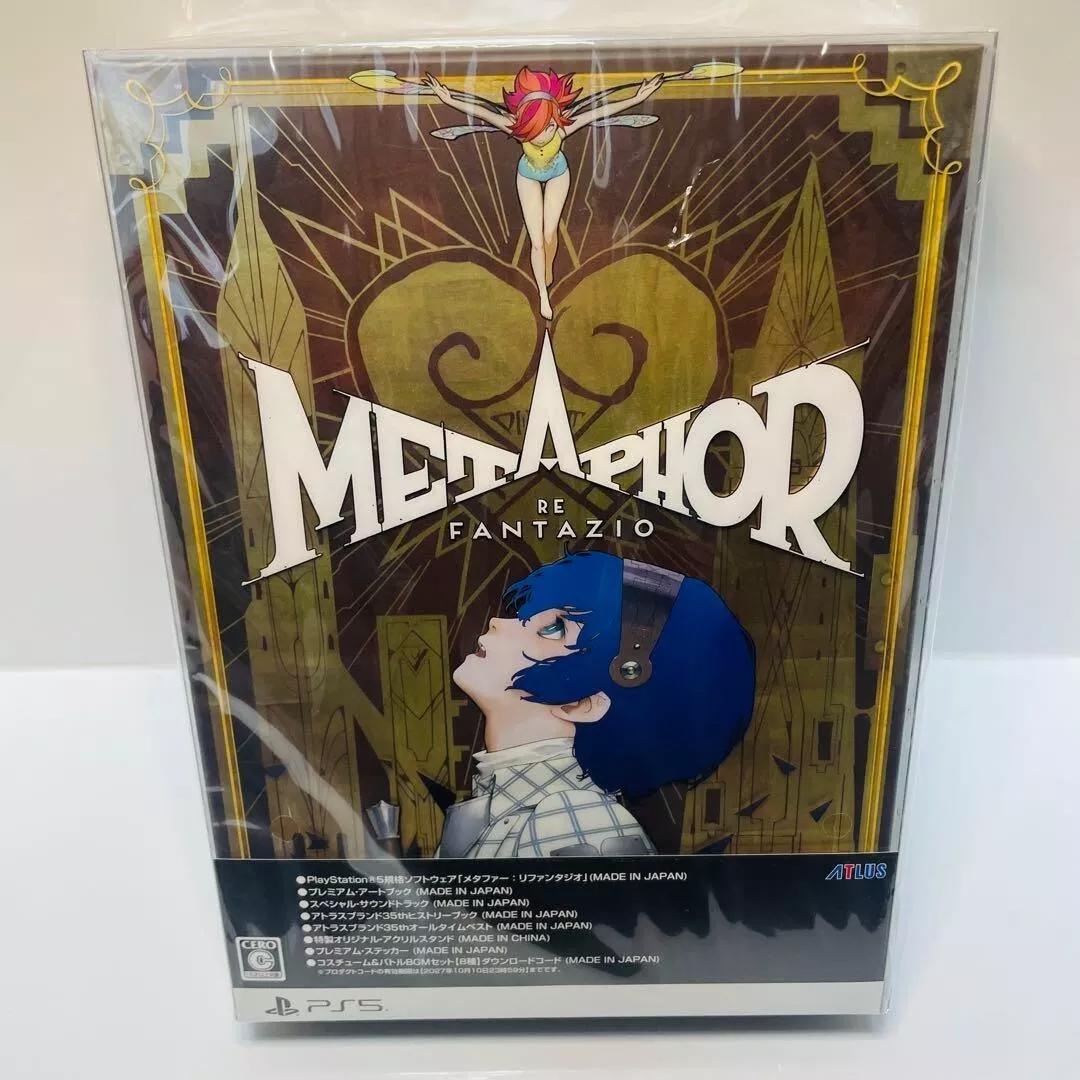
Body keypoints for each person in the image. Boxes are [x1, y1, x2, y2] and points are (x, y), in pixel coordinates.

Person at [438, 551, 755, 858]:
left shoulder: (574, 818)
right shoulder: (504, 805)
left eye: (552, 629)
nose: (496, 622)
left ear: (584, 703)